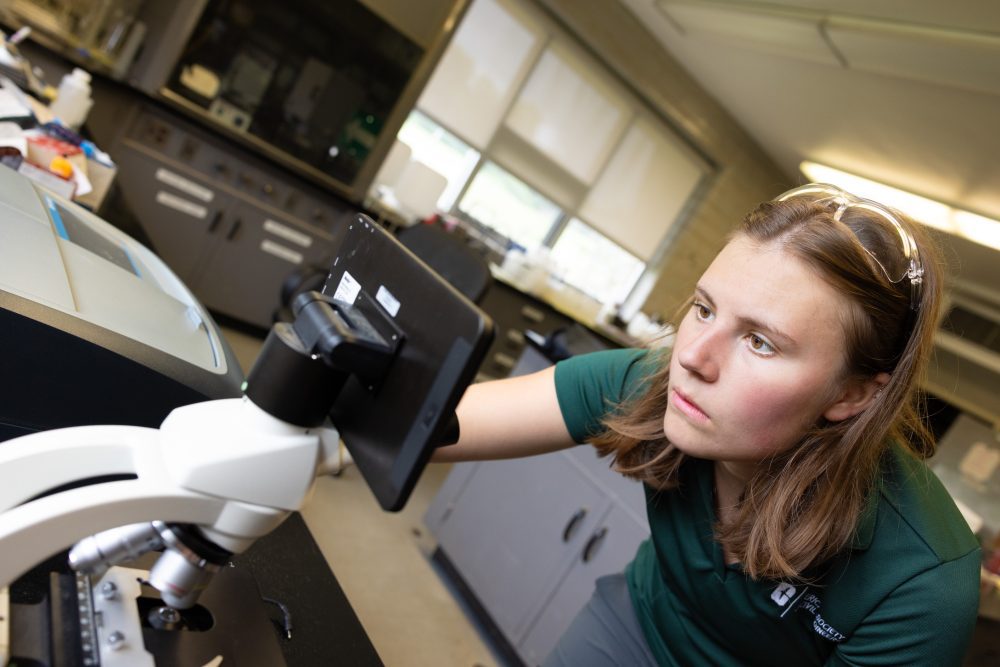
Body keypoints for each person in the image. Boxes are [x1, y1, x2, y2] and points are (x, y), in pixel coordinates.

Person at [432, 183, 981, 666]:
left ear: (853, 393)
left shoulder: (923, 582)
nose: (692, 357)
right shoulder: (658, 381)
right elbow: (438, 423)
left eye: (760, 342)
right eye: (704, 308)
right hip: (641, 623)